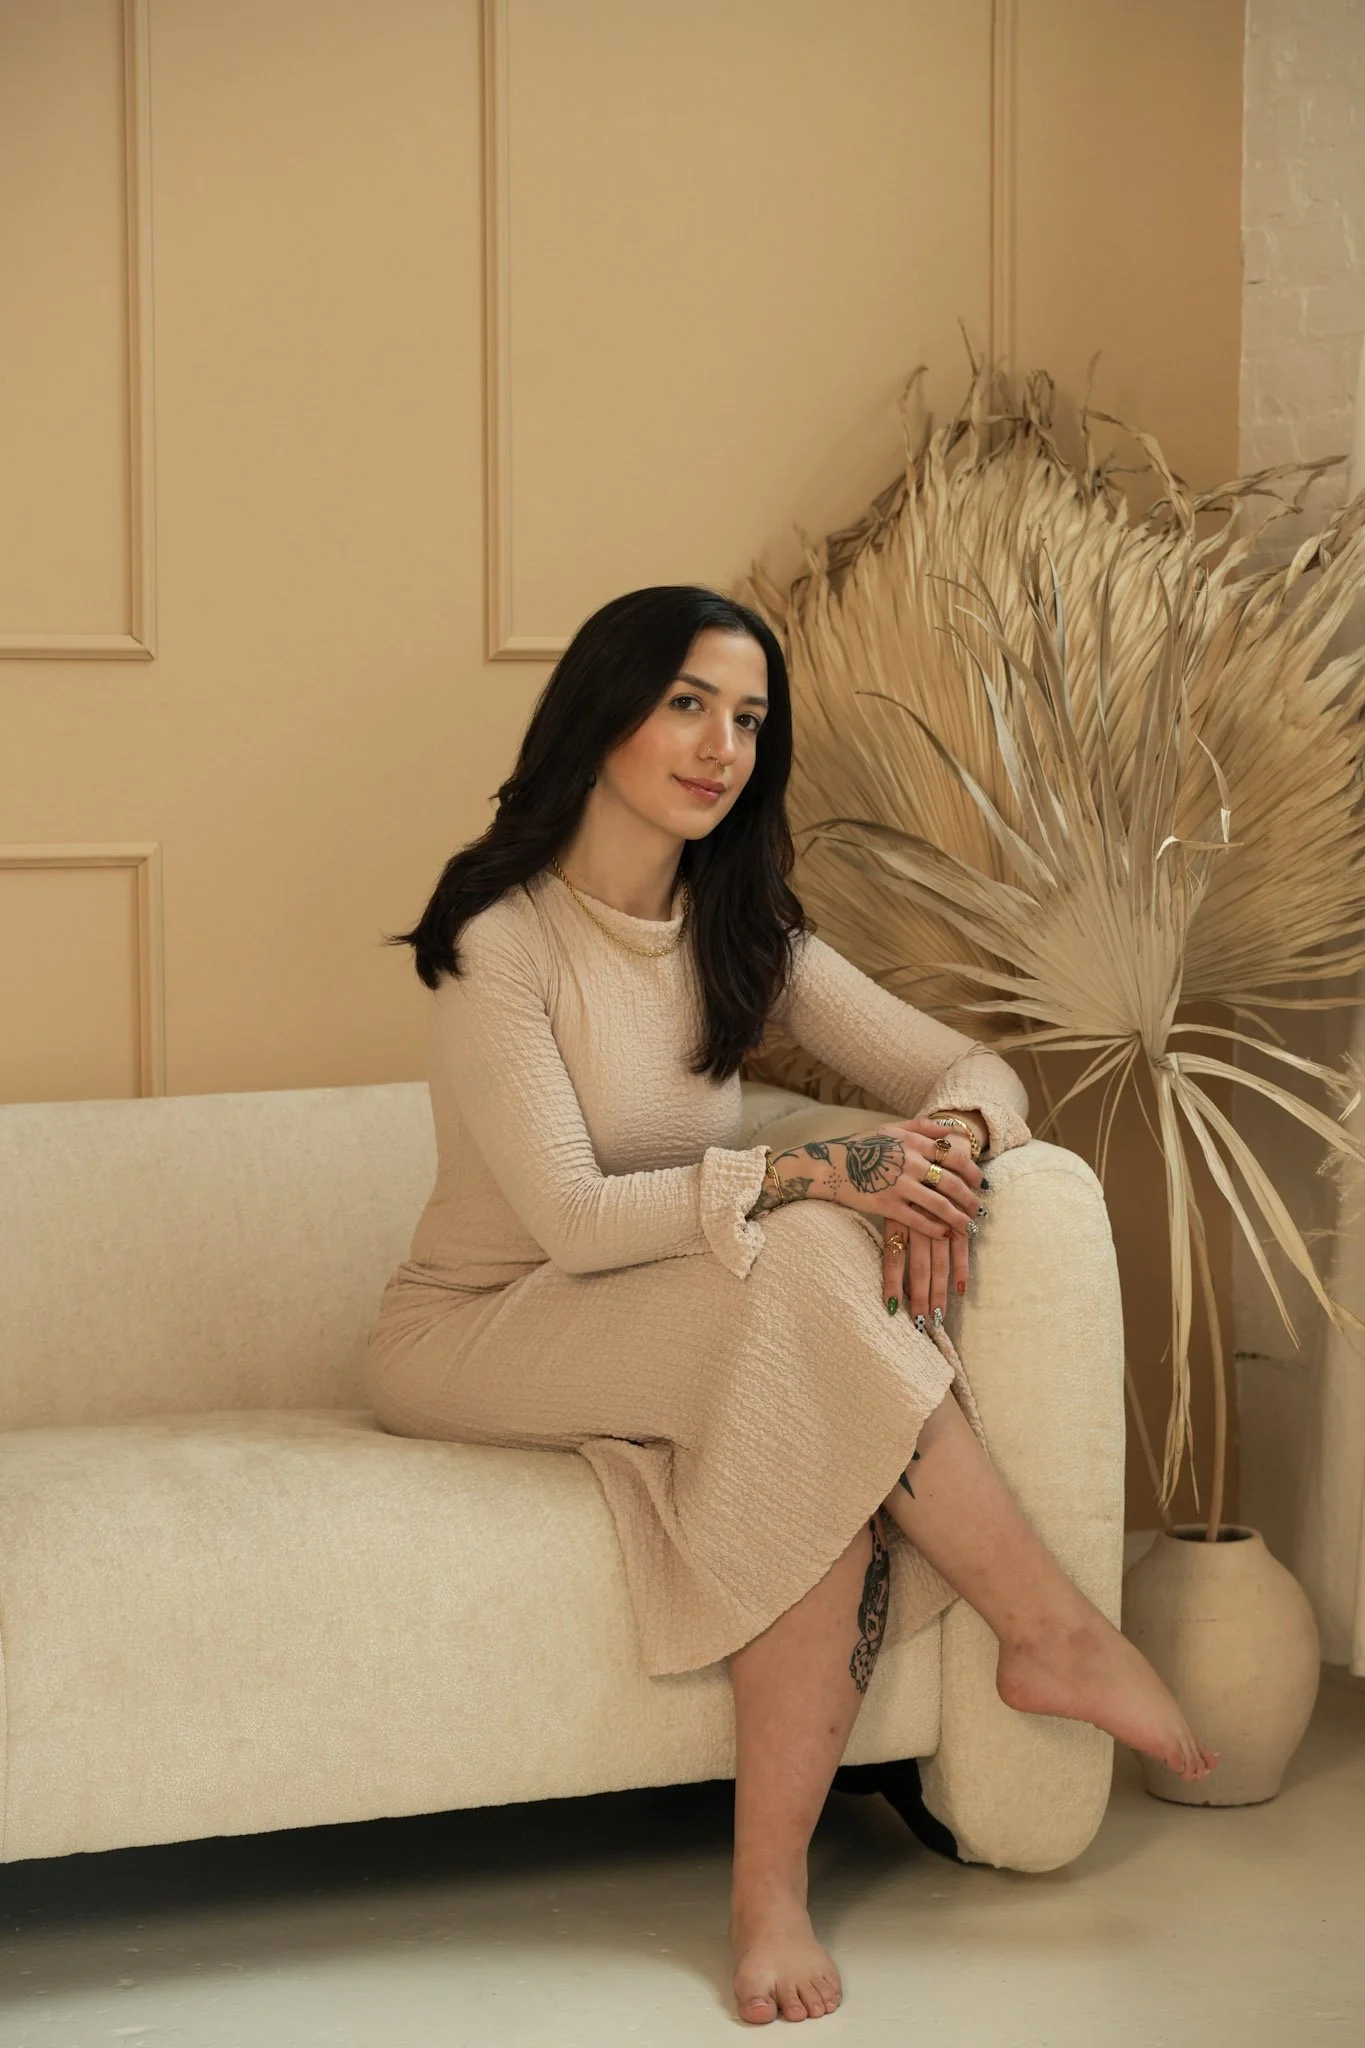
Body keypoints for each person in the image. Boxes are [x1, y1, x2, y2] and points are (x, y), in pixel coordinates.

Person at [365, 585, 1219, 2027]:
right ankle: (1049, 1630)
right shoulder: (503, 935)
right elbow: (573, 1222)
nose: (723, 748)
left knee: (807, 1386)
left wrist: (941, 1149)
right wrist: (814, 1170)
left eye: (750, 720)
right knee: (816, 1258)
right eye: (688, 704)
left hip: (668, 1310)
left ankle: (776, 1893)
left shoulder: (739, 928)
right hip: (480, 1326)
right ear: (604, 713)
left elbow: (973, 1069)